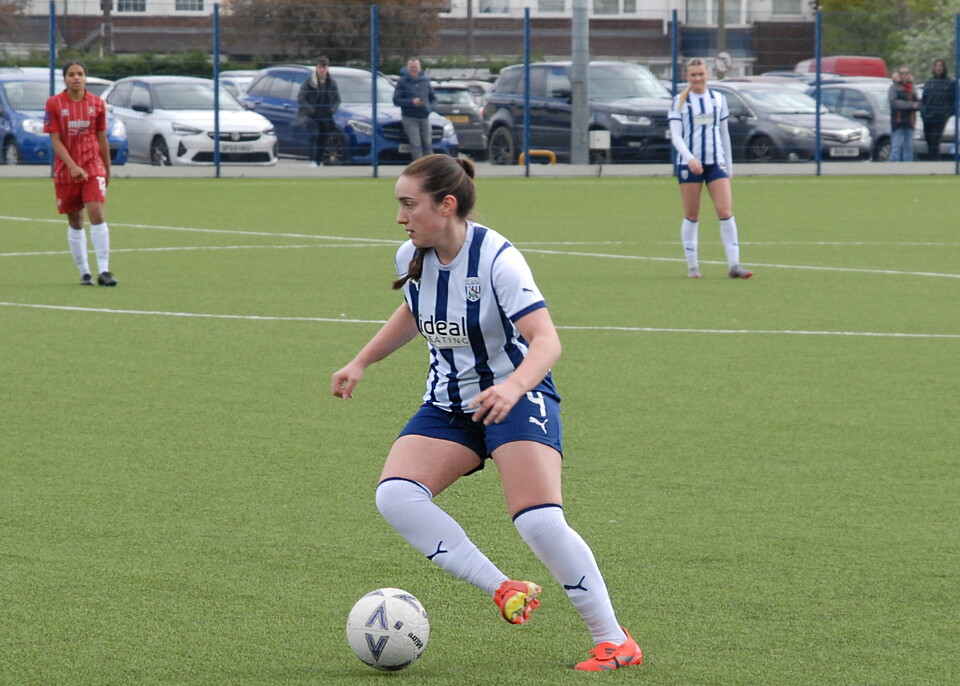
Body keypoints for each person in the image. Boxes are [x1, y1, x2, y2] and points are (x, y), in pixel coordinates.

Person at [331, 154, 644, 672]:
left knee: (540, 521)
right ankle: (504, 588)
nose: (400, 216)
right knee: (396, 496)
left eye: (409, 204)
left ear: (446, 204)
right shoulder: (411, 255)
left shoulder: (499, 260)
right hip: (449, 404)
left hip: (517, 398)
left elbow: (547, 341)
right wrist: (362, 360)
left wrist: (513, 388)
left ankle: (614, 640)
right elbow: (416, 310)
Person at [667, 57, 752, 279]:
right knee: (692, 214)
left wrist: (729, 166)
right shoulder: (679, 101)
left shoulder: (718, 99)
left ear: (708, 75)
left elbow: (724, 134)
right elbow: (676, 135)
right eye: (693, 75)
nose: (697, 78)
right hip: (690, 165)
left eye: (701, 74)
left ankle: (734, 265)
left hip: (716, 162)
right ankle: (693, 266)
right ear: (687, 76)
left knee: (725, 211)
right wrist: (689, 158)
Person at [43, 60, 116, 286]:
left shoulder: (97, 104)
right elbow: (55, 139)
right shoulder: (54, 104)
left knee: (96, 212)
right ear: (65, 78)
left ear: (86, 77)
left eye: (80, 74)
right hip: (66, 169)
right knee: (75, 219)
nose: (76, 78)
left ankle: (104, 270)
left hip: (92, 164)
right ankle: (84, 271)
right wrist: (72, 166)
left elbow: (102, 138)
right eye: (72, 74)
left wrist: (107, 168)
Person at [296, 55, 340, 168]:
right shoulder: (309, 83)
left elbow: (337, 100)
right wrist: (311, 110)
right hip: (312, 116)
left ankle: (319, 161)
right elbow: (301, 98)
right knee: (314, 136)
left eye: (324, 67)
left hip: (326, 116)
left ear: (327, 68)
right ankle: (313, 161)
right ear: (316, 68)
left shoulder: (332, 83)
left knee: (323, 139)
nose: (322, 70)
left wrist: (331, 110)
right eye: (320, 67)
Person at [393, 58, 436, 160]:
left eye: (415, 67)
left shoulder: (425, 81)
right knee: (416, 144)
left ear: (419, 68)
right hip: (410, 117)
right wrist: (411, 102)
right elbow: (396, 100)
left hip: (425, 117)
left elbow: (433, 98)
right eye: (411, 67)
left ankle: (431, 167)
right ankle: (418, 167)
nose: (413, 69)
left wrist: (430, 108)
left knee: (427, 143)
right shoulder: (402, 82)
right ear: (407, 68)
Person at [920, 59, 956, 161]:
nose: (938, 67)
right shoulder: (929, 82)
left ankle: (935, 160)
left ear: (944, 68)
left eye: (940, 65)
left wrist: (948, 113)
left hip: (940, 117)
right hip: (928, 116)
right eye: (936, 65)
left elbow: (954, 100)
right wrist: (923, 112)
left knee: (935, 140)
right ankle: (933, 159)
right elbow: (924, 99)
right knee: (928, 139)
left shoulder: (949, 83)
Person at [889, 65, 920, 162]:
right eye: (902, 73)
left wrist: (916, 105)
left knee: (909, 147)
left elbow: (918, 103)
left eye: (906, 73)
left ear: (909, 74)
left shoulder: (912, 88)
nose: (904, 75)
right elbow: (894, 103)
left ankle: (908, 170)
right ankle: (894, 169)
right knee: (896, 147)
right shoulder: (893, 88)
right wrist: (910, 105)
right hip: (898, 121)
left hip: (910, 121)